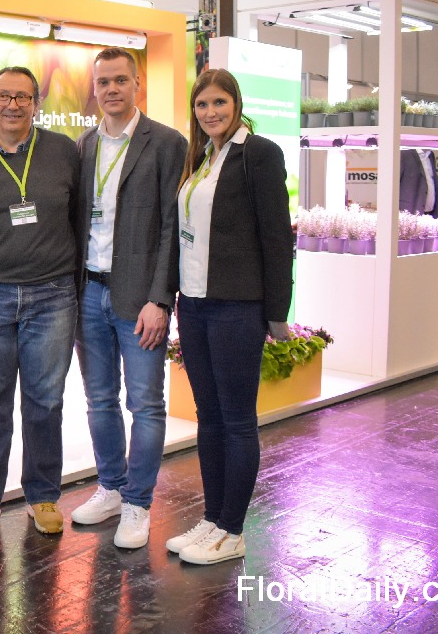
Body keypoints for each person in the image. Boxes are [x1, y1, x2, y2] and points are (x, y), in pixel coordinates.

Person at [0, 66, 82, 535]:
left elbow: (79, 222)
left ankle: (43, 495)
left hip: (53, 296)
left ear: (36, 103)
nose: (12, 105)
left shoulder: (63, 152)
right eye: (3, 96)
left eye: (22, 97)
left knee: (46, 401)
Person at [169, 68, 294, 565]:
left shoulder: (258, 154)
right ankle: (213, 518)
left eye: (219, 102)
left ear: (236, 104)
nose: (210, 112)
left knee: (237, 420)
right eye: (202, 104)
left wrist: (277, 312)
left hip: (237, 306)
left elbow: (277, 237)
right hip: (194, 303)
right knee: (209, 417)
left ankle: (233, 530)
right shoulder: (201, 157)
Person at [71, 48, 187, 548]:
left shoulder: (167, 143)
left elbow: (171, 227)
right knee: (99, 400)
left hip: (140, 299)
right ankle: (111, 489)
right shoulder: (83, 146)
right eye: (104, 82)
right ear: (94, 89)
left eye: (121, 80)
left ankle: (138, 503)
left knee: (146, 404)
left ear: (137, 84)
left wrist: (161, 298)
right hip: (88, 291)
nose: (112, 89)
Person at [399, 148, 438, 217]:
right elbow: (393, 183)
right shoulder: (404, 154)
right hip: (410, 213)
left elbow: (431, 180)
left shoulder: (430, 155)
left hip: (430, 214)